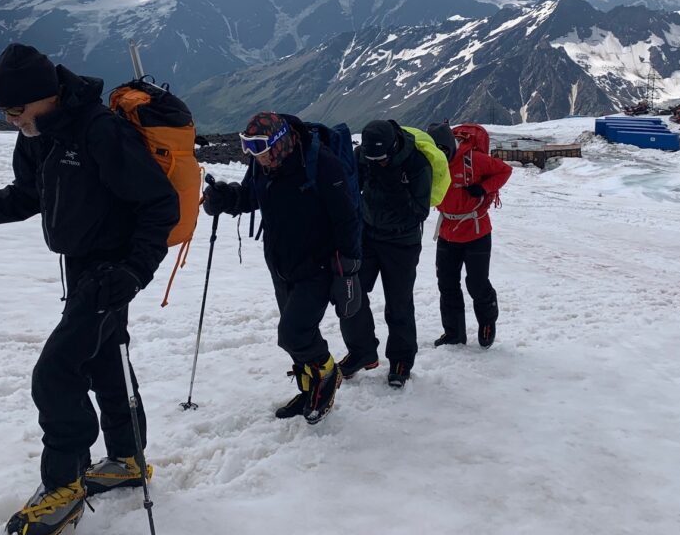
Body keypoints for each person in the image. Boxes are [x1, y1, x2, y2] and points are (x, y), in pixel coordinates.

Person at [0, 44, 179, 535]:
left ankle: (64, 485)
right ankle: (127, 458)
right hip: (82, 266)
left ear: (48, 96)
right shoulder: (40, 135)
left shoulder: (101, 131)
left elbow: (159, 204)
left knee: (56, 372)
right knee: (104, 359)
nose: (14, 120)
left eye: (18, 110)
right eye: (5, 113)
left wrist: (132, 270)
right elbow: (26, 196)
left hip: (111, 270)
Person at [202, 112, 361, 423]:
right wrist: (225, 198)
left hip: (318, 266)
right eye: (248, 147)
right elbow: (250, 197)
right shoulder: (264, 165)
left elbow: (348, 219)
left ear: (279, 142)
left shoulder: (322, 165)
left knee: (292, 334)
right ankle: (309, 391)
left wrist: (349, 270)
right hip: (281, 265)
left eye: (259, 147)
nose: (254, 155)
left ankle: (328, 375)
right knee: (298, 337)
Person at [340, 119, 433, 388]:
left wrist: (395, 188)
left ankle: (401, 360)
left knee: (399, 303)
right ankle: (362, 351)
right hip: (367, 237)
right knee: (350, 294)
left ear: (393, 146)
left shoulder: (416, 164)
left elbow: (421, 211)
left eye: (380, 157)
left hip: (402, 243)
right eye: (371, 157)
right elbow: (348, 185)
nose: (376, 161)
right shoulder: (363, 157)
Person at [433, 123, 512, 349]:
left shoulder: (474, 160)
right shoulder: (434, 159)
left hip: (476, 230)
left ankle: (487, 321)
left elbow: (505, 170)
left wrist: (485, 187)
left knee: (476, 283)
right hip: (448, 230)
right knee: (447, 284)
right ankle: (453, 334)